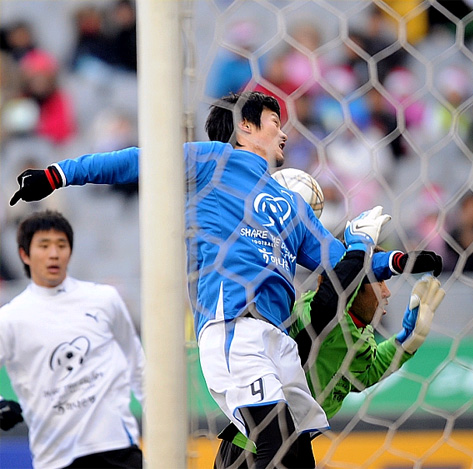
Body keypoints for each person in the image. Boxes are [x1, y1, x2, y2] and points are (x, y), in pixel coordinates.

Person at [9, 91, 423, 468]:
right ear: (246, 127)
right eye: (275, 121)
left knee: (297, 455)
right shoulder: (212, 161)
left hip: (278, 341)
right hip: (233, 326)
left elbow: (342, 262)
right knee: (272, 444)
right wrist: (57, 175)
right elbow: (138, 160)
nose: (283, 132)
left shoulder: (292, 207)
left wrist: (402, 260)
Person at [215, 244, 445, 468]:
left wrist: (408, 341)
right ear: (353, 287)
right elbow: (325, 308)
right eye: (379, 281)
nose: (387, 292)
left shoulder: (360, 331)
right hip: (251, 448)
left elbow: (361, 375)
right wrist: (360, 245)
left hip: (295, 443)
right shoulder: (316, 316)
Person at [0, 210, 144, 469]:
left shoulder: (105, 299)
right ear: (25, 254)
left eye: (61, 245)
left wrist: (162, 428)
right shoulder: (10, 318)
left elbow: (138, 366)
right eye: (44, 246)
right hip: (54, 456)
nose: (54, 253)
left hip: (116, 447)